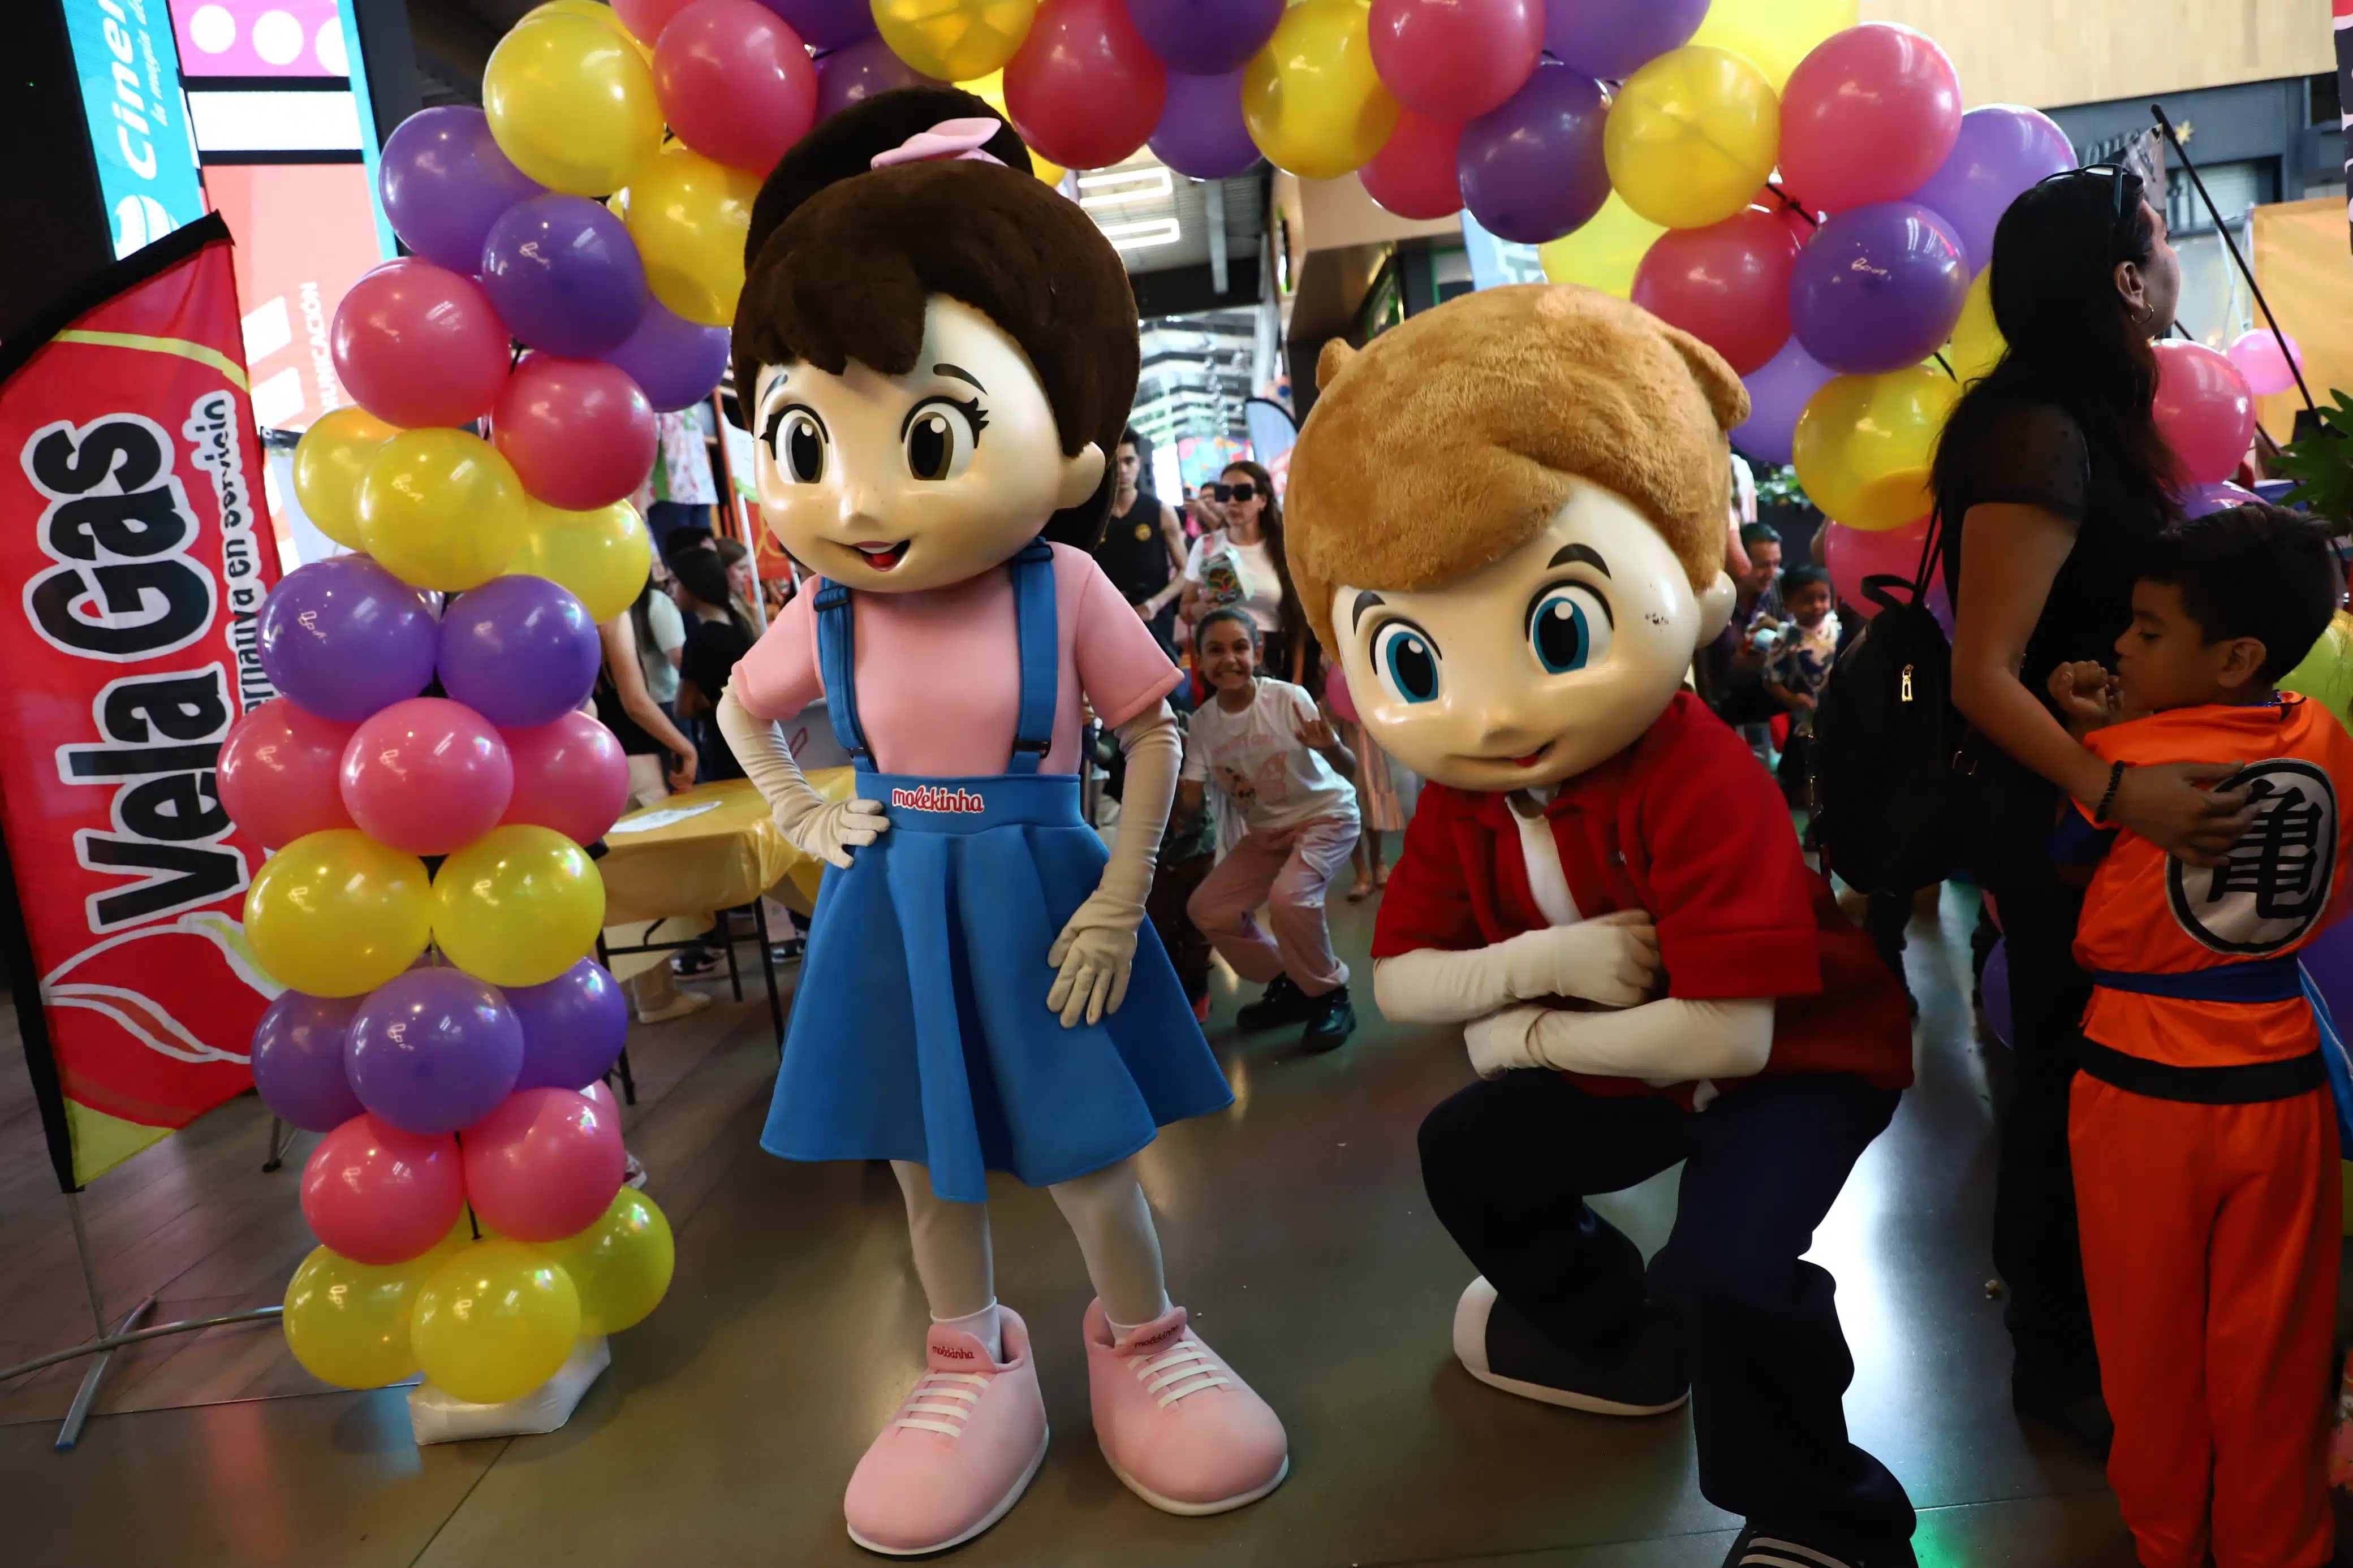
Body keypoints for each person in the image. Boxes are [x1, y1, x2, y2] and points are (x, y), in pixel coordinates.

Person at [713, 88, 1286, 1556]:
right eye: (806, 434)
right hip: (891, 893)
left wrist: (1116, 898)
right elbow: (742, 705)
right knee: (921, 1159)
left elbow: (1153, 736)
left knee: (1090, 1151)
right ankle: (969, 1353)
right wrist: (799, 805)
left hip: (1042, 885)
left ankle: (1143, 1332)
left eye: (930, 429)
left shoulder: (1064, 590)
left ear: (1076, 447)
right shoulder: (823, 606)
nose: (858, 496)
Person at [1285, 283, 1918, 1568]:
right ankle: (1614, 1333)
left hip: (1795, 1060)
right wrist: (1540, 978)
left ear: (1686, 584)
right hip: (1628, 1057)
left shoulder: (1696, 774)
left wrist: (1512, 1031)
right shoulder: (1470, 797)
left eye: (1554, 626)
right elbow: (1401, 978)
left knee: (1730, 1269)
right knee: (1468, 1151)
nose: (1487, 713)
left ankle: (1825, 1519)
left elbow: (1732, 1042)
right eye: (1415, 663)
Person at [1934, 165, 2255, 1436]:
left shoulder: (2087, 416)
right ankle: (2058, 1360)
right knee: (2073, 1084)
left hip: (2100, 799)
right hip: (2068, 823)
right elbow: (1978, 673)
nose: (2174, 261)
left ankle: (2101, 1333)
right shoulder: (2040, 435)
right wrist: (2117, 784)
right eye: (2159, 240)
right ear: (2122, 283)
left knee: (2103, 1085)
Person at [2042, 503, 2351, 1568]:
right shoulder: (2323, 735)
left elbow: (2062, 863)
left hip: (2143, 1086)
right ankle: (2287, 1545)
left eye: (2147, 629)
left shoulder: (2132, 758)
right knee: (2279, 1344)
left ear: (2234, 657)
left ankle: (2170, 1540)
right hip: (2284, 1078)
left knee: (2150, 1342)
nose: (2122, 646)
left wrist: (2088, 740)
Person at [1180, 607, 1361, 1050]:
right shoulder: (1203, 724)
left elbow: (1349, 770)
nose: (1229, 659)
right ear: (1199, 660)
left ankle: (1331, 994)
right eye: (1215, 650)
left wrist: (1332, 746)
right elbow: (1187, 801)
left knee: (1289, 899)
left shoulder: (1287, 699)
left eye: (1240, 647)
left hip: (1326, 816)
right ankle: (1294, 982)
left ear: (1257, 651)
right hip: (1266, 835)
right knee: (1208, 909)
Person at [597, 579, 710, 1025]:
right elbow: (637, 701)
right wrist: (687, 746)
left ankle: (609, 1002)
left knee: (604, 885)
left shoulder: (526, 595)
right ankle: (656, 996)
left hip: (568, 770)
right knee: (646, 883)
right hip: (632, 761)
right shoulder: (604, 602)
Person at [1180, 460, 1308, 683]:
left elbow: (1299, 623)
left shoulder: (1285, 549)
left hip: (1271, 659)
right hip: (1221, 663)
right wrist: (1201, 608)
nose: (1231, 502)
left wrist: (1298, 683)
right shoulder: (1207, 546)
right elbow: (1186, 609)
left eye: (1242, 493)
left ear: (1263, 500)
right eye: (1223, 493)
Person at [1095, 427, 1188, 653]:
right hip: (1108, 623)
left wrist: (1156, 604)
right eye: (1116, 463)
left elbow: (1186, 571)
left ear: (1139, 462)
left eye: (1129, 461)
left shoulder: (1160, 511)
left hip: (1155, 622)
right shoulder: (1093, 519)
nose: (1123, 470)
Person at [672, 546, 759, 779]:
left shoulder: (700, 640)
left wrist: (706, 702)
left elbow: (683, 707)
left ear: (693, 586)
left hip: (722, 744)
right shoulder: (742, 625)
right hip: (757, 739)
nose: (672, 591)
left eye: (675, 582)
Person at [1760, 563, 1839, 802]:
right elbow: (1770, 680)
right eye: (1807, 600)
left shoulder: (1837, 627)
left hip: (1836, 710)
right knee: (1804, 764)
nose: (1817, 606)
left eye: (1823, 598)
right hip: (1806, 716)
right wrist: (1792, 700)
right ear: (1788, 605)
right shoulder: (1787, 638)